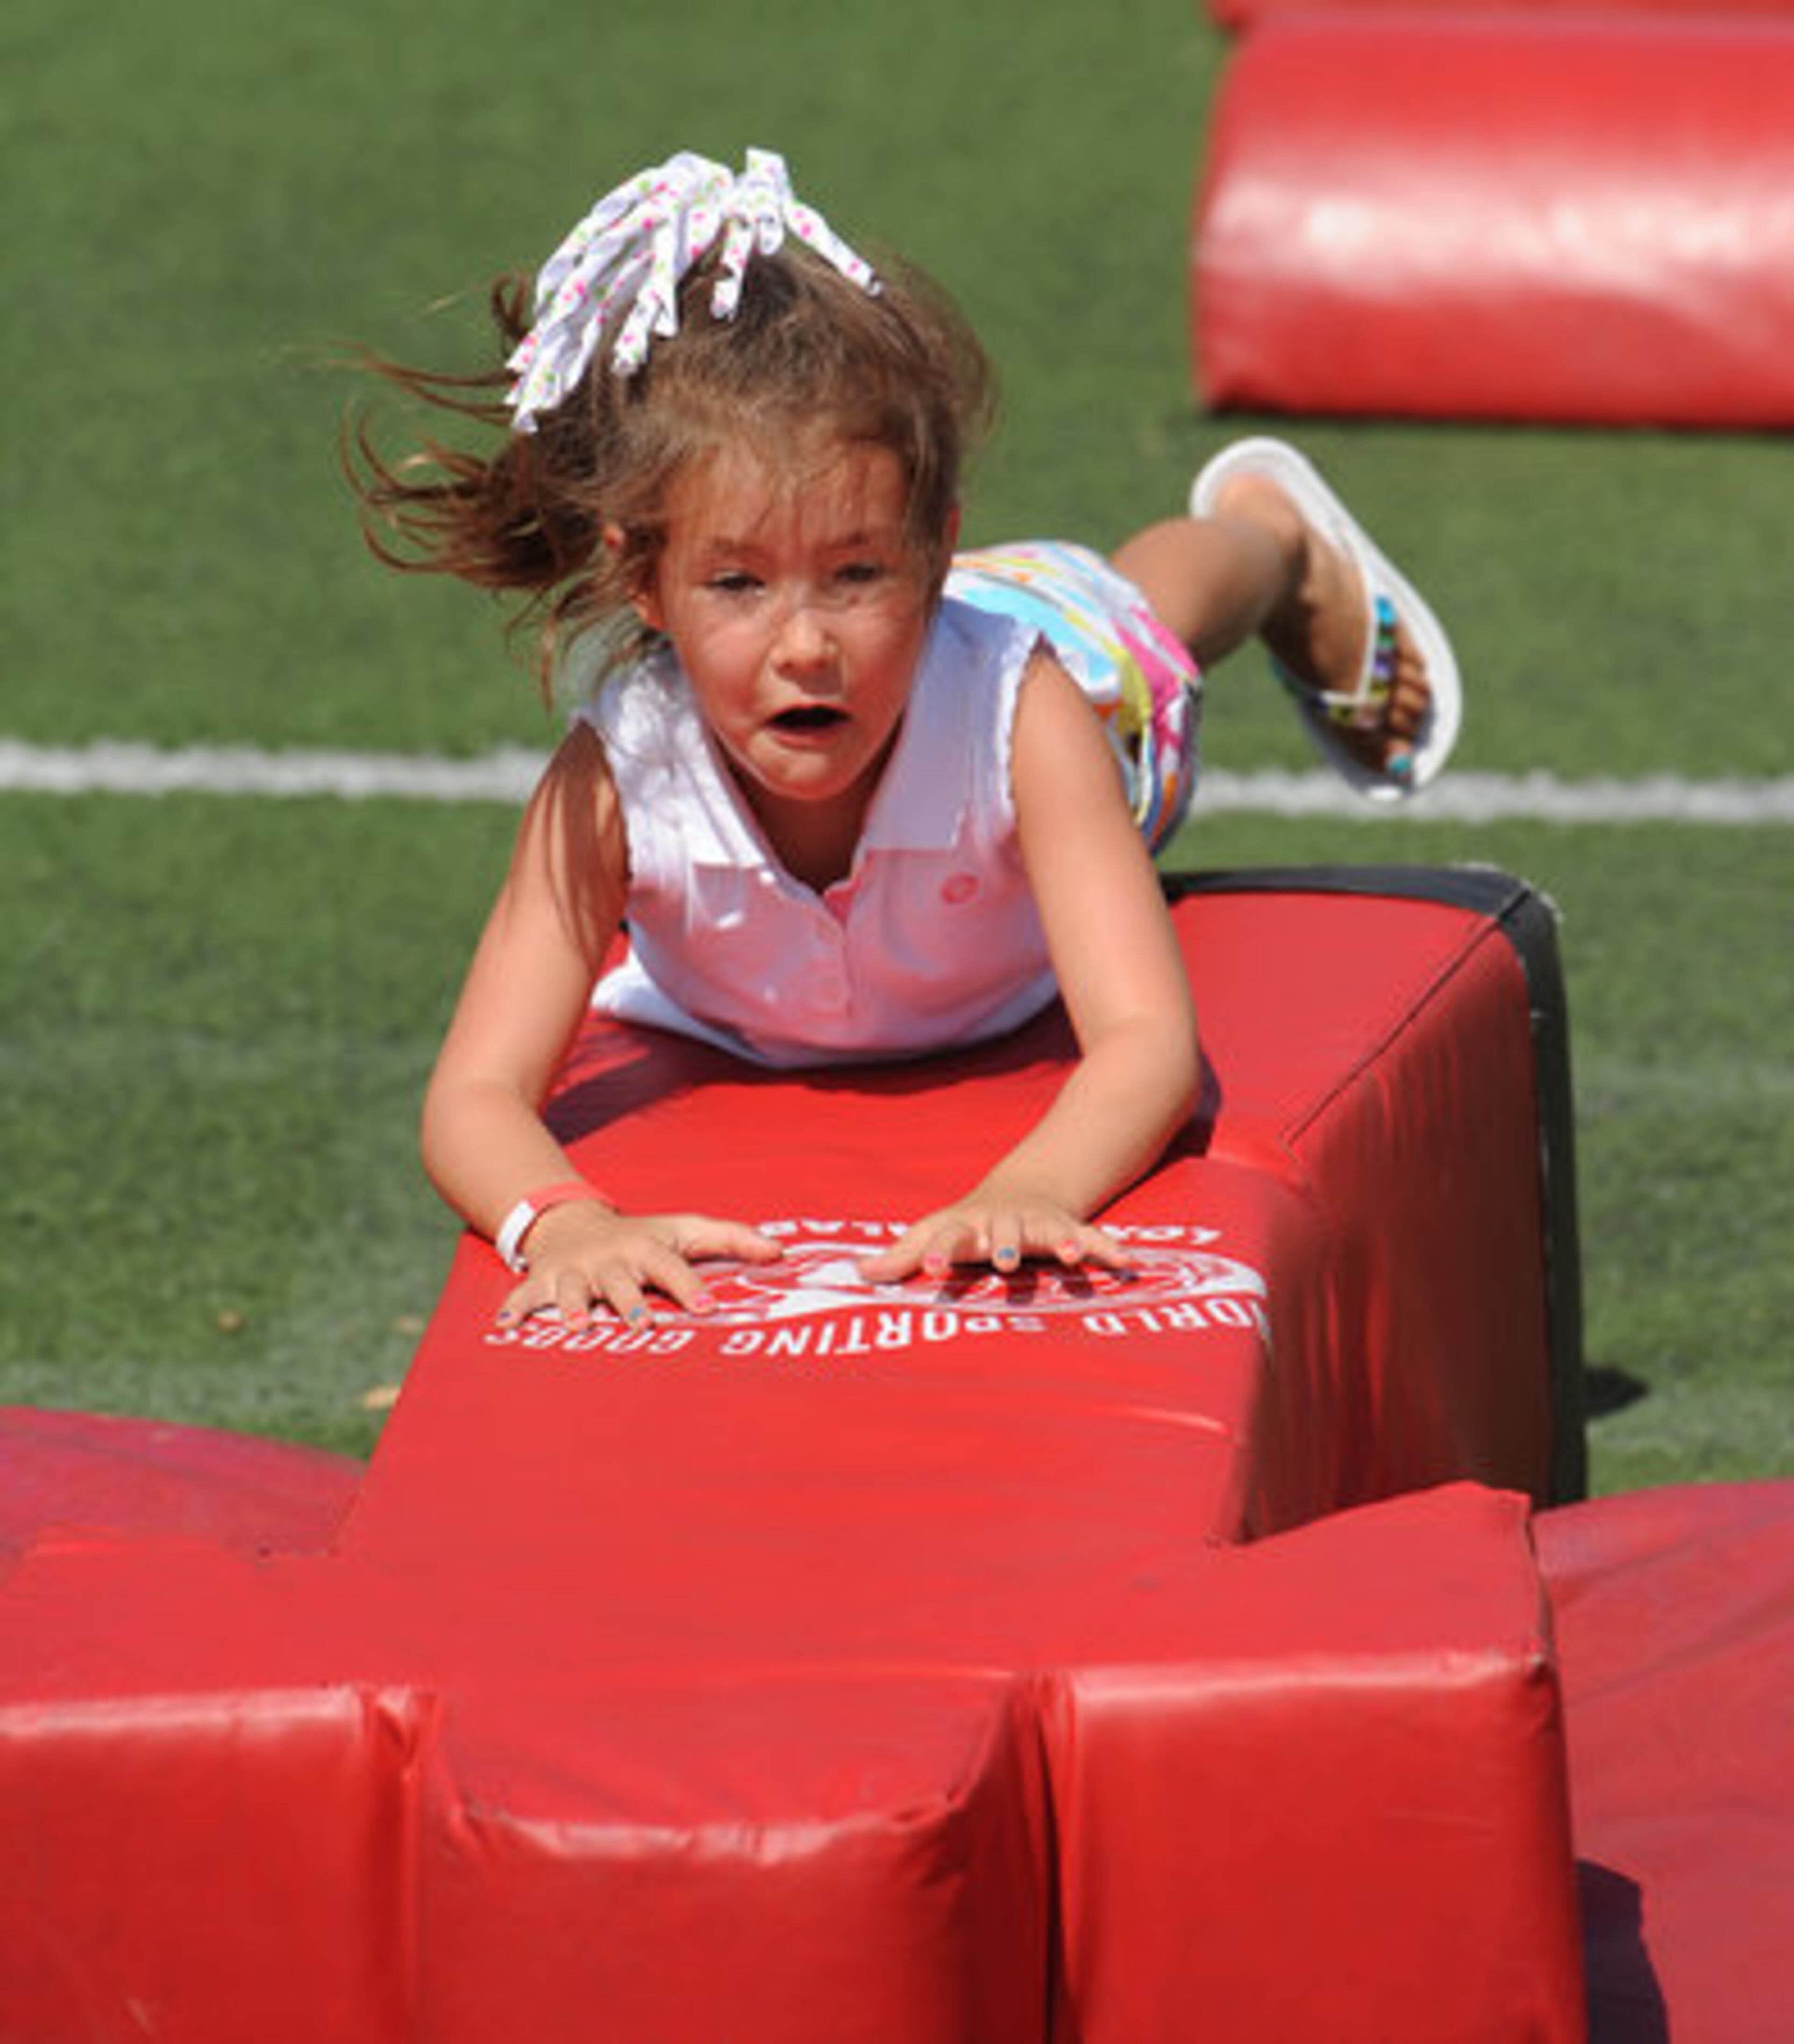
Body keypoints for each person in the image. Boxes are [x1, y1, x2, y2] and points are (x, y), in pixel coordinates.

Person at [349, 149, 1458, 1329]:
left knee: (1142, 623)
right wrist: (561, 1221)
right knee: (877, 595)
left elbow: (1146, 1043)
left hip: (1048, 678)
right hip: (915, 639)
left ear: (933, 548)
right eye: (736, 584)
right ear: (645, 582)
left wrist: (1031, 1187)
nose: (805, 647)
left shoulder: (1024, 718)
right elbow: (474, 1091)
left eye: (855, 573)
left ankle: (1272, 542)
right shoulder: (622, 771)